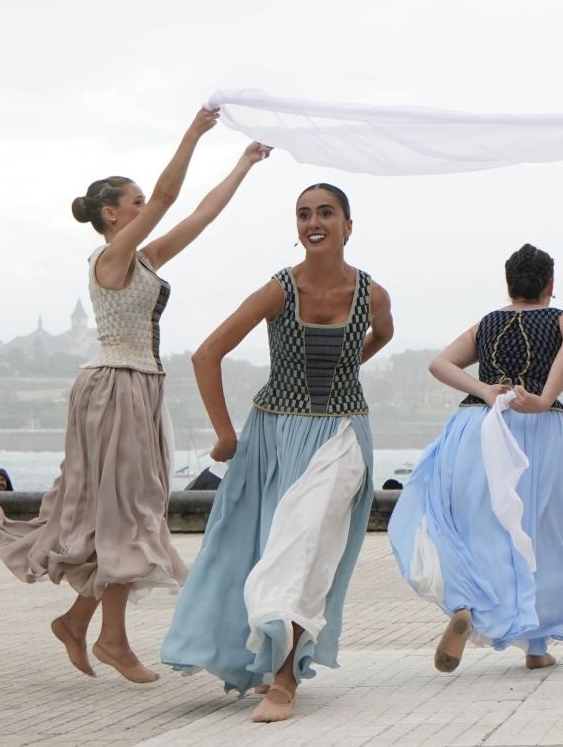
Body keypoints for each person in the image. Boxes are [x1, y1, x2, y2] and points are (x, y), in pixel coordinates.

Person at [0, 107, 268, 684]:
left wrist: (242, 164)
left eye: (142, 202)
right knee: (125, 513)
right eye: (134, 204)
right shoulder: (111, 259)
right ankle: (109, 638)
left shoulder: (142, 259)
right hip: (115, 386)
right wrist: (193, 133)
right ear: (111, 216)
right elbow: (168, 198)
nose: (146, 209)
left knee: (126, 511)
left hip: (138, 386)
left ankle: (82, 622)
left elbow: (200, 216)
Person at [161, 183, 393, 723]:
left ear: (348, 226)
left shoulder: (372, 295)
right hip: (271, 436)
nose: (314, 222)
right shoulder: (278, 290)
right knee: (260, 548)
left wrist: (346, 367)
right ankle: (263, 659)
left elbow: (383, 333)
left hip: (340, 434)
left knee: (304, 545)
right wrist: (224, 433)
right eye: (304, 214)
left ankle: (285, 678)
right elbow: (206, 354)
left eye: (326, 213)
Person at [389, 244, 563, 672]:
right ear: (550, 285)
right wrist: (542, 399)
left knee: (473, 527)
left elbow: (439, 363)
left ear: (508, 285)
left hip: (478, 427)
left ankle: (466, 604)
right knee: (543, 531)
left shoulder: (487, 323)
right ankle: (537, 647)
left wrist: (486, 390)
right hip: (538, 429)